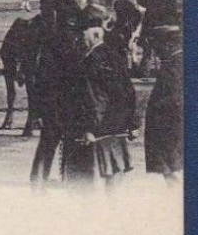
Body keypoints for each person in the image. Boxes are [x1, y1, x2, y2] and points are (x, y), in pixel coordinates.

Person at [60, 24, 137, 191]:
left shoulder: (89, 61)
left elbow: (91, 99)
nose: (79, 38)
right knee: (115, 183)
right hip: (116, 130)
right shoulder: (114, 56)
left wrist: (89, 129)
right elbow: (128, 91)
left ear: (95, 35)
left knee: (88, 187)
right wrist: (132, 123)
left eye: (82, 33)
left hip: (95, 134)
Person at [142, 25, 183, 183]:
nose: (155, 52)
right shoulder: (176, 62)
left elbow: (175, 101)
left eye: (157, 46)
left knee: (174, 173)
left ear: (168, 44)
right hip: (171, 130)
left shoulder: (174, 65)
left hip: (170, 131)